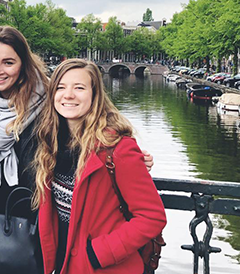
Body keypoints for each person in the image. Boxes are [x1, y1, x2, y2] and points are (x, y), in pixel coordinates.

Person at [0, 26, 154, 249]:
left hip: (41, 221)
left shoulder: (48, 100)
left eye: (8, 62)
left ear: (23, 64)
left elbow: (90, 126)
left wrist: (124, 153)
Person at [34, 59, 166, 274]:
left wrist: (98, 254)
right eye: (60, 87)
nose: (68, 95)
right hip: (64, 264)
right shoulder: (52, 145)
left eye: (79, 88)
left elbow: (152, 217)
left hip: (102, 267)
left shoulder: (117, 149)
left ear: (94, 95)